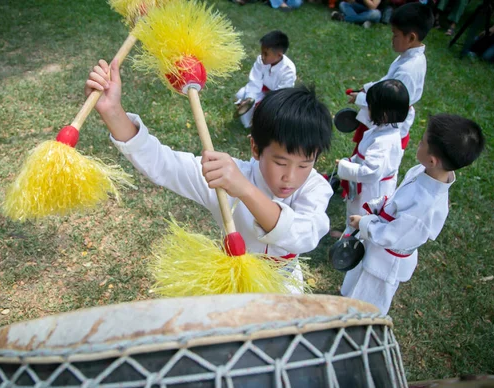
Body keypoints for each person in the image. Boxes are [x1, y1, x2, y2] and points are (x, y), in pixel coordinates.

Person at [85, 57, 333, 292]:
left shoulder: (314, 188)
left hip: (285, 290)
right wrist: (112, 112)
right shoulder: (225, 177)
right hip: (231, 287)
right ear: (255, 148)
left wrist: (245, 190)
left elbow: (305, 235)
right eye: (281, 162)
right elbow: (163, 164)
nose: (290, 177)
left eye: (304, 165)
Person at [342, 114, 485, 314]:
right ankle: (345, 309)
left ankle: (356, 326)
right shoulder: (423, 171)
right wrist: (380, 206)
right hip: (377, 247)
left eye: (422, 142)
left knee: (367, 299)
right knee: (356, 285)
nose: (418, 143)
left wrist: (364, 224)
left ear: (433, 160)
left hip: (384, 263)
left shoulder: (425, 206)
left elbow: (392, 235)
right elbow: (398, 201)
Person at [347, 3, 434, 152]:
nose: (392, 39)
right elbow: (387, 81)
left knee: (366, 158)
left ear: (411, 37)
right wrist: (367, 88)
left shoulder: (408, 70)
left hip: (386, 127)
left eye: (395, 35)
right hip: (381, 118)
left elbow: (389, 104)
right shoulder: (408, 58)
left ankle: (347, 174)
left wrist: (360, 99)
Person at [336, 79, 409, 236]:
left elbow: (371, 172)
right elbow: (365, 158)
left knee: (362, 215)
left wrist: (344, 166)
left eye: (369, 107)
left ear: (382, 114)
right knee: (354, 209)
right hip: (366, 185)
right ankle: (349, 232)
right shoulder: (383, 131)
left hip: (371, 191)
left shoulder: (383, 141)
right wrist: (353, 161)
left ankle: (354, 245)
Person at [235, 31, 296, 129]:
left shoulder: (288, 70)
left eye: (266, 54)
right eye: (261, 52)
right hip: (261, 90)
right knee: (242, 94)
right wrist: (249, 99)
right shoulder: (260, 61)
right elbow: (255, 81)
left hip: (277, 99)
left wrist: (263, 105)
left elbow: (281, 94)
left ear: (279, 56)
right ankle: (250, 123)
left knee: (272, 116)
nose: (262, 56)